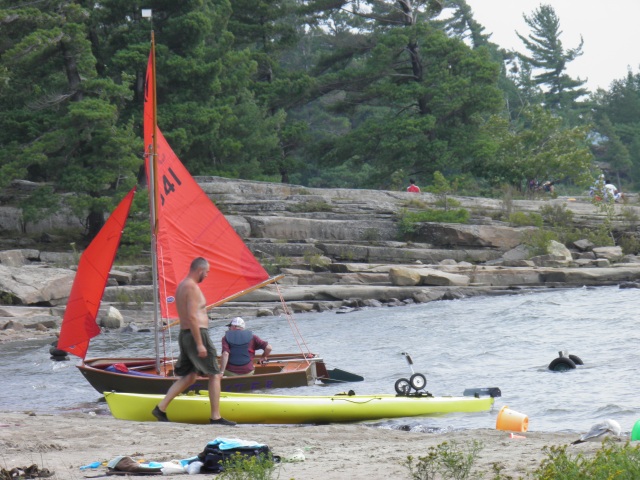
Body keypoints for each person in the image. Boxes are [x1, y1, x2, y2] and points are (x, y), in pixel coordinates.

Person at [152, 257, 235, 426]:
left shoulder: (182, 286)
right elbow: (191, 316)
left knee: (190, 376)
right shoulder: (191, 287)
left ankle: (160, 408)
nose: (207, 275)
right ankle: (216, 417)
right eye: (207, 272)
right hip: (196, 334)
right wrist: (199, 343)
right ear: (200, 270)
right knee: (215, 374)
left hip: (185, 334)